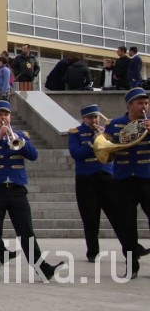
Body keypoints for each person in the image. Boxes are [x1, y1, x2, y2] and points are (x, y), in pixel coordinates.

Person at [0, 100, 63, 280]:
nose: (3, 118)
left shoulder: (21, 135)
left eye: (6, 114)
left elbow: (33, 155)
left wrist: (21, 141)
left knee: (26, 231)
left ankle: (42, 268)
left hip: (17, 190)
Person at [67, 104, 129, 263]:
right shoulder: (76, 133)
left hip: (106, 176)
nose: (93, 120)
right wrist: (93, 141)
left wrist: (105, 137)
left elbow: (114, 152)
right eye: (90, 118)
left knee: (118, 215)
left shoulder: (106, 132)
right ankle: (93, 252)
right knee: (90, 217)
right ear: (83, 118)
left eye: (96, 117)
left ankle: (129, 249)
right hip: (86, 179)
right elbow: (76, 154)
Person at [104, 88, 150, 278]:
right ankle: (132, 266)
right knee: (127, 225)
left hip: (147, 178)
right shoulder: (115, 125)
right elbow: (105, 150)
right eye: (140, 103)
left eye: (146, 103)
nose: (144, 107)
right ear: (130, 105)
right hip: (123, 180)